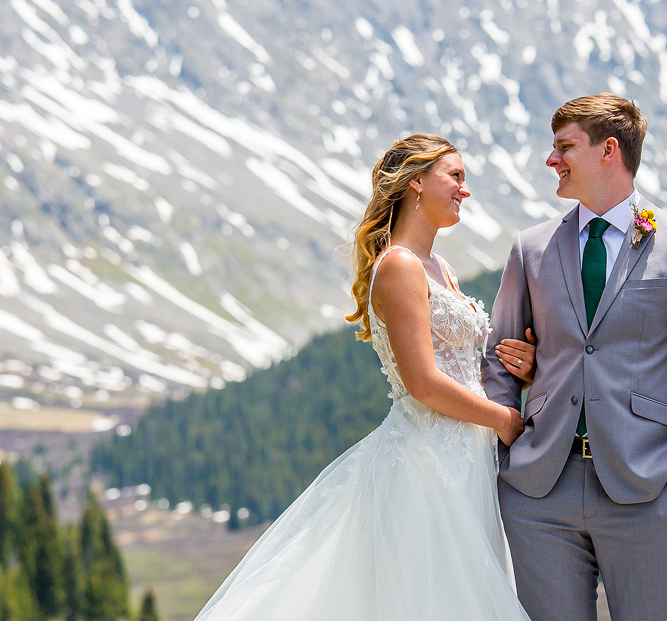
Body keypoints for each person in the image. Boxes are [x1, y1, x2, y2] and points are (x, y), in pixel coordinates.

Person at [194, 134, 535, 621]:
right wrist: (504, 419)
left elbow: (461, 365)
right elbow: (422, 382)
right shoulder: (399, 266)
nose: (466, 189)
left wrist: (515, 368)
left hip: (468, 459)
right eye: (455, 176)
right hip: (428, 462)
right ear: (417, 181)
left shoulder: (441, 267)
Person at [483, 94, 667, 621]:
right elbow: (498, 361)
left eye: (564, 147)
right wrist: (510, 449)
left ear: (609, 150)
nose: (551, 160)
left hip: (645, 488)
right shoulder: (530, 248)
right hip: (538, 494)